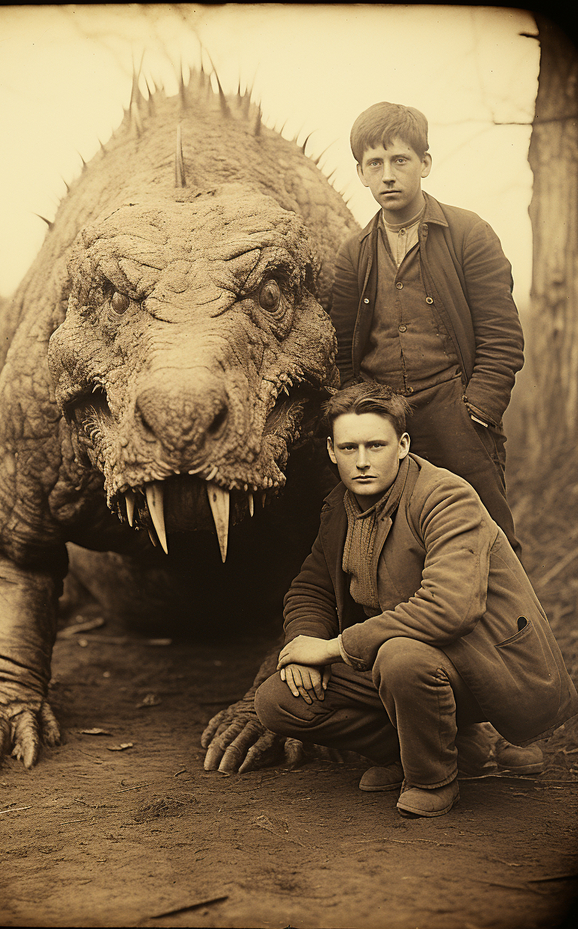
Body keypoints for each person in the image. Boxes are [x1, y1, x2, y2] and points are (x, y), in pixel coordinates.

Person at [254, 383, 578, 817]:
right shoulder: (339, 506)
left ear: (403, 445)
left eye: (376, 445)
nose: (362, 461)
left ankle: (433, 779)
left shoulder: (445, 497)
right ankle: (444, 750)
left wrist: (333, 648)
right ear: (332, 451)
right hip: (401, 664)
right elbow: (311, 587)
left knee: (400, 658)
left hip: (484, 667)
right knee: (277, 701)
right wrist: (304, 644)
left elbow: (450, 609)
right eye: (349, 447)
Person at [330, 102, 524, 554]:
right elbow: (340, 347)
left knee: (489, 540)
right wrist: (360, 416)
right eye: (374, 164)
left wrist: (477, 411)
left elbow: (502, 338)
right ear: (360, 173)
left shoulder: (468, 233)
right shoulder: (354, 253)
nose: (388, 176)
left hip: (455, 410)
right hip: (382, 418)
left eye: (400, 160)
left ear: (425, 163)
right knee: (388, 545)